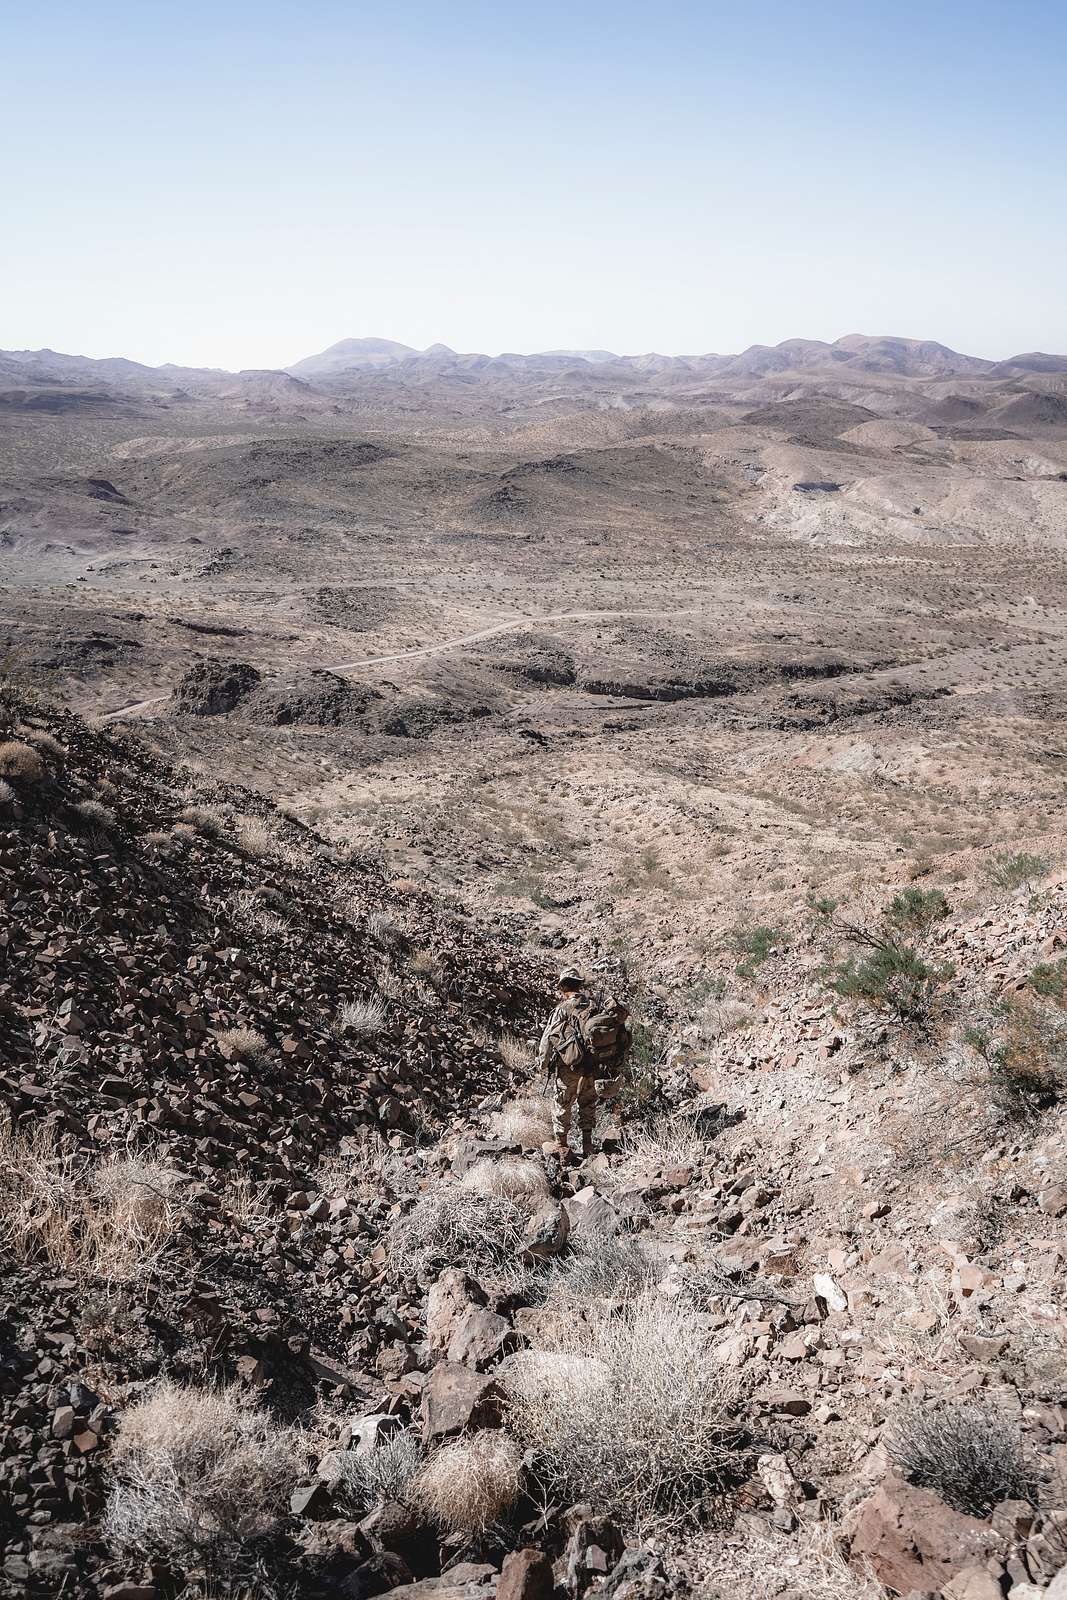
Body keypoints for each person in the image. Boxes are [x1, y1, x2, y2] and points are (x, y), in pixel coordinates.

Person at [537, 968, 631, 1163]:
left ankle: (562, 1146)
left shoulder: (562, 1009)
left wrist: (543, 1063)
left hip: (569, 1066)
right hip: (594, 1065)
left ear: (563, 986)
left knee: (563, 1104)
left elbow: (548, 1037)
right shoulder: (595, 1007)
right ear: (579, 984)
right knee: (587, 1104)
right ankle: (588, 1145)